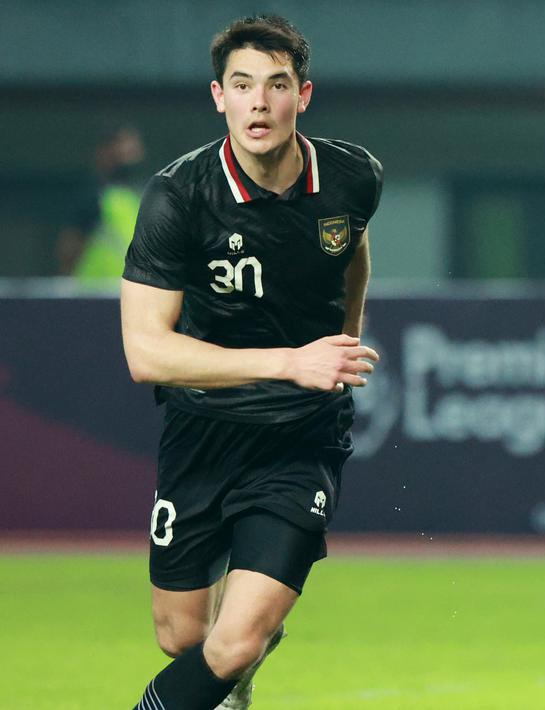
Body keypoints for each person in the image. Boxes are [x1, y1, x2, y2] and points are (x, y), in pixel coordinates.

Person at [120, 15, 382, 710]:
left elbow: (351, 248)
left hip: (300, 437)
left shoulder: (353, 178)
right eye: (242, 86)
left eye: (276, 85)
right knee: (184, 639)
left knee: (233, 643)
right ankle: (233, 675)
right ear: (218, 97)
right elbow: (145, 352)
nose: (259, 103)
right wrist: (292, 360)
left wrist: (342, 340)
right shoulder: (178, 198)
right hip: (201, 432)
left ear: (304, 94)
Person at [56, 124, 146, 282]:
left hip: (130, 292)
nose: (132, 152)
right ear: (104, 151)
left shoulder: (138, 197)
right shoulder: (93, 197)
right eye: (124, 145)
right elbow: (68, 250)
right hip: (94, 293)